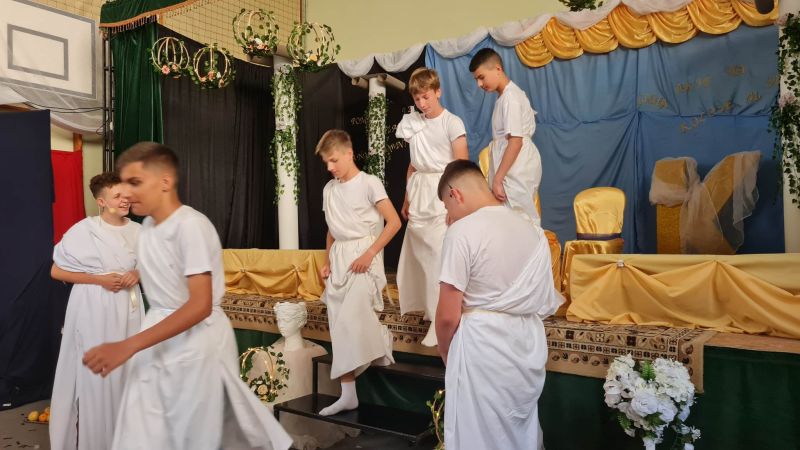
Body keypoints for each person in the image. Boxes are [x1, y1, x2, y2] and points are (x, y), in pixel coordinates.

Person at [81, 142, 291, 450]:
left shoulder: (191, 226)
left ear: (165, 182)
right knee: (143, 429)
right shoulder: (148, 227)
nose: (126, 192)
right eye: (124, 183)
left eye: (135, 182)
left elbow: (200, 305)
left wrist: (128, 345)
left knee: (196, 435)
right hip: (158, 340)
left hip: (196, 341)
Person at [435, 160, 563, 450]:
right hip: (527, 342)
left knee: (480, 435)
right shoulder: (534, 231)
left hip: (483, 345)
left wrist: (445, 351)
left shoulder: (462, 231)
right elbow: (544, 298)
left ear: (455, 194)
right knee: (519, 433)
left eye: (447, 207)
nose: (448, 217)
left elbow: (447, 315)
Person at [50, 172, 144, 450]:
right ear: (102, 202)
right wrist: (98, 280)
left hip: (127, 307)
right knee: (97, 375)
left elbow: (153, 266)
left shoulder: (139, 232)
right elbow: (56, 271)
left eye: (126, 194)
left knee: (127, 369)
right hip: (91, 308)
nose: (125, 200)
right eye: (117, 196)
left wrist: (138, 273)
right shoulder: (84, 230)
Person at [316, 129, 401, 416]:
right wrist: (327, 261)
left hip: (363, 254)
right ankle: (348, 394)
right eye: (326, 162)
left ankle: (380, 342)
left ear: (349, 153)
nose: (330, 167)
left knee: (350, 319)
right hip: (339, 258)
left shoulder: (369, 183)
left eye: (334, 160)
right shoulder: (329, 189)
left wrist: (369, 254)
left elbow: (394, 222)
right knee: (338, 324)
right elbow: (332, 230)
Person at [396, 67, 468, 347]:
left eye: (426, 97)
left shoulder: (452, 123)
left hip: (442, 191)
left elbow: (461, 166)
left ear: (438, 92)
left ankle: (443, 319)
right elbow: (413, 165)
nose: (422, 103)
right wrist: (407, 198)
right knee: (423, 258)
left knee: (439, 256)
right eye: (417, 99)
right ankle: (430, 310)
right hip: (420, 192)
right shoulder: (413, 122)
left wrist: (454, 205)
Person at [469, 47, 542, 225]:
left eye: (481, 77)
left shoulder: (511, 98)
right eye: (476, 79)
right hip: (511, 165)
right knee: (510, 221)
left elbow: (515, 141)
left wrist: (498, 179)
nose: (479, 84)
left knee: (519, 219)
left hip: (516, 166)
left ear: (498, 69)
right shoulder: (505, 97)